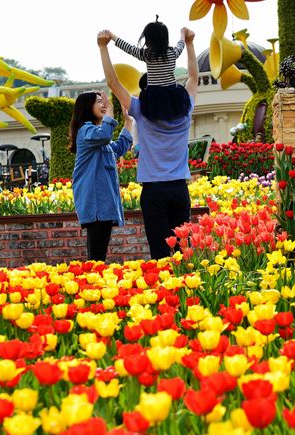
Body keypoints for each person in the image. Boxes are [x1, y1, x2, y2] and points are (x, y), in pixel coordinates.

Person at [98, 27, 198, 260]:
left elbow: (113, 84)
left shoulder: (141, 110)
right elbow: (193, 78)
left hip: (153, 190)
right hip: (179, 188)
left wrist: (104, 46)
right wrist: (189, 43)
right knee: (185, 251)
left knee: (160, 254)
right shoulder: (185, 111)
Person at [69, 90, 134, 261]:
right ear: (87, 107)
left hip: (104, 205)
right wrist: (111, 110)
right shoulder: (86, 131)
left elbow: (119, 147)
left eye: (103, 101)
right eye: (99, 101)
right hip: (95, 204)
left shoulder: (97, 138)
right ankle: (92, 284)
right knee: (97, 256)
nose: (103, 105)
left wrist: (128, 122)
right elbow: (105, 135)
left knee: (99, 254)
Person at [109, 17, 190, 122]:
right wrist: (182, 34)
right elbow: (181, 45)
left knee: (155, 119)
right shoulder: (172, 53)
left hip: (154, 97)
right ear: (166, 39)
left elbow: (128, 48)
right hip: (172, 95)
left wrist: (112, 37)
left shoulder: (147, 55)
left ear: (149, 40)